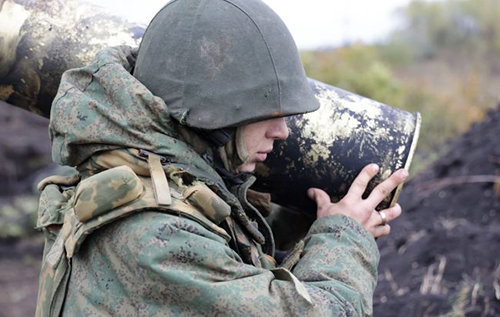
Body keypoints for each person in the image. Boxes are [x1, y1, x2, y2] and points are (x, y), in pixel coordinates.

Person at [35, 0, 407, 316]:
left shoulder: (148, 178)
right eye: (266, 112)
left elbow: (227, 256)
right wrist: (344, 238)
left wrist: (309, 224)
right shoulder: (155, 237)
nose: (283, 132)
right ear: (213, 115)